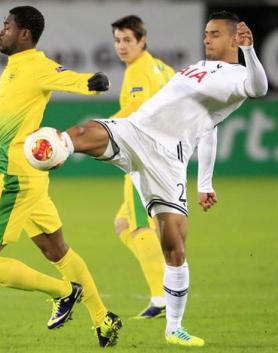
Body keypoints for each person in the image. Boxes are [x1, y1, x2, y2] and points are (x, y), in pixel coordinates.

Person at [27, 11, 267, 347]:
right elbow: (209, 129)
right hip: (137, 130)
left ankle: (174, 327)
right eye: (206, 33)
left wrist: (251, 51)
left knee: (174, 245)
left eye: (214, 34)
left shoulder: (239, 75)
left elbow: (258, 88)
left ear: (232, 38)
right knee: (83, 131)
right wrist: (206, 183)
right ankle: (53, 150)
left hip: (167, 160)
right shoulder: (194, 68)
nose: (206, 38)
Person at [0, 6, 122, 348]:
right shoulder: (14, 68)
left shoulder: (36, 65)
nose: (0, 32)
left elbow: (70, 78)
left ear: (24, 34)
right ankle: (103, 318)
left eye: (6, 27)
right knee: (57, 251)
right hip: (22, 178)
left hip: (16, 180)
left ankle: (66, 292)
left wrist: (92, 83)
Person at [110, 15, 174, 319]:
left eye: (127, 40)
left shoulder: (138, 71)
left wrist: (98, 128)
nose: (121, 46)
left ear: (141, 40)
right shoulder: (161, 68)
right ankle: (165, 282)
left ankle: (162, 297)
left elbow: (132, 113)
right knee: (123, 224)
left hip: (143, 158)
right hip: (162, 155)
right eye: (118, 40)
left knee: (138, 228)